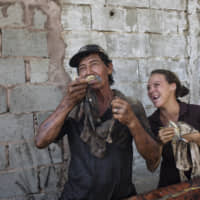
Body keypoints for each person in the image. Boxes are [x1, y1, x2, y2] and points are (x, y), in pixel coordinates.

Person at [35, 44, 160, 200]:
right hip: (77, 196)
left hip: (121, 195)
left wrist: (132, 122)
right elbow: (40, 141)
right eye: (82, 68)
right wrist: (67, 102)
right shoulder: (74, 107)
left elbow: (153, 157)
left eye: (94, 64)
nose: (89, 72)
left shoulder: (130, 106)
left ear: (109, 68)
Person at [147, 69, 200, 188]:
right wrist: (159, 144)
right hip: (171, 188)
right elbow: (151, 167)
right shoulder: (151, 122)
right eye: (148, 88)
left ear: (172, 86)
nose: (151, 91)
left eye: (156, 85)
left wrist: (196, 138)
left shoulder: (196, 112)